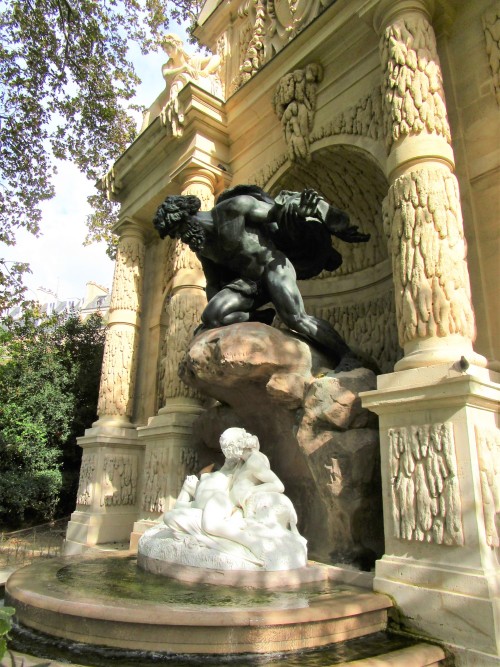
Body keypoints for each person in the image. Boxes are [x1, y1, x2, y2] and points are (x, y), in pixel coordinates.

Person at [153, 185, 370, 371]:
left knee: (295, 318)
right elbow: (213, 283)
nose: (179, 238)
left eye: (178, 230)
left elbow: (276, 213)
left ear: (187, 217)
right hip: (248, 284)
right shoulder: (203, 249)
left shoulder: (232, 209)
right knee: (212, 316)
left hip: (272, 266)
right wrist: (212, 322)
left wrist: (300, 211)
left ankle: (347, 355)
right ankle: (260, 317)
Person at [161, 428, 304, 566]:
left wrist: (252, 491)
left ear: (232, 447)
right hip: (226, 502)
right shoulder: (244, 461)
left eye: (225, 447)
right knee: (173, 516)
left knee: (205, 524)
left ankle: (250, 543)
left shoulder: (254, 460)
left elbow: (278, 485)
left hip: (225, 503)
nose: (225, 452)